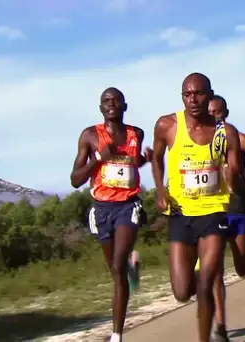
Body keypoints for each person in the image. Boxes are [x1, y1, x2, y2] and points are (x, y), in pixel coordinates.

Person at [151, 73, 245, 342]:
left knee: (206, 286)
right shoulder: (167, 125)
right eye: (187, 94)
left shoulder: (225, 132)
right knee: (182, 292)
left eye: (199, 94)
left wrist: (234, 174)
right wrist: (160, 190)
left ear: (210, 94)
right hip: (181, 214)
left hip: (214, 211)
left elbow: (236, 171)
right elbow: (157, 159)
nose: (193, 100)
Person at [70, 87, 152, 342]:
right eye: (107, 100)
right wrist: (98, 159)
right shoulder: (89, 136)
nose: (111, 103)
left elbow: (132, 161)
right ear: (101, 107)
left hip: (127, 206)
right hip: (102, 210)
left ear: (124, 106)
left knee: (117, 266)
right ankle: (131, 265)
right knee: (116, 272)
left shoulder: (135, 133)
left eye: (116, 100)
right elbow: (75, 179)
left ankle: (116, 336)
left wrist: (145, 161)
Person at [206, 94, 245, 341]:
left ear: (226, 113)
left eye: (218, 113)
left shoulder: (237, 137)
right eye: (210, 113)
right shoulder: (199, 141)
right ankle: (220, 327)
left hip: (237, 206)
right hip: (212, 209)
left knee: (242, 270)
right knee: (216, 270)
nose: (214, 117)